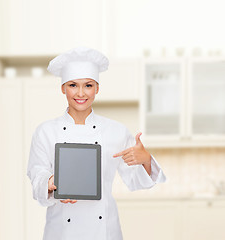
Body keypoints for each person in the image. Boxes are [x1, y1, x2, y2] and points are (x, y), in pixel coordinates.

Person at [27, 47, 166, 240]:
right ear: (63, 88)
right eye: (73, 85)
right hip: (61, 231)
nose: (81, 93)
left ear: (97, 88)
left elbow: (135, 180)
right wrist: (49, 183)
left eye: (89, 85)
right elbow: (37, 174)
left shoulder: (115, 131)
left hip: (103, 231)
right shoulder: (46, 131)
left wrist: (146, 160)